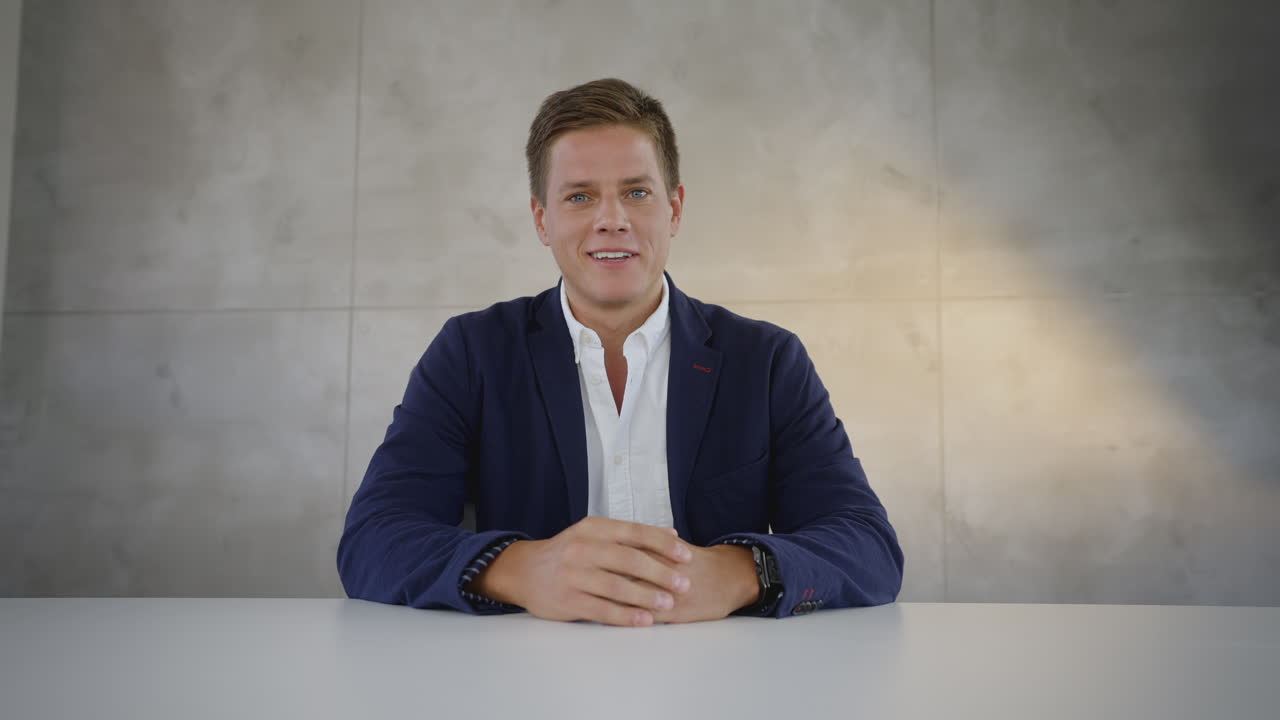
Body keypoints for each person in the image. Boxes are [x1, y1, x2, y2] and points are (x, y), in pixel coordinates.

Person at [337, 78, 904, 627]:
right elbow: (375, 537)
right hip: (522, 680)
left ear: (675, 208)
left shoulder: (767, 360)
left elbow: (867, 546)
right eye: (580, 196)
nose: (612, 219)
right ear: (542, 219)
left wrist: (735, 573)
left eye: (637, 192)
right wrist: (520, 569)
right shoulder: (472, 352)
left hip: (727, 680)